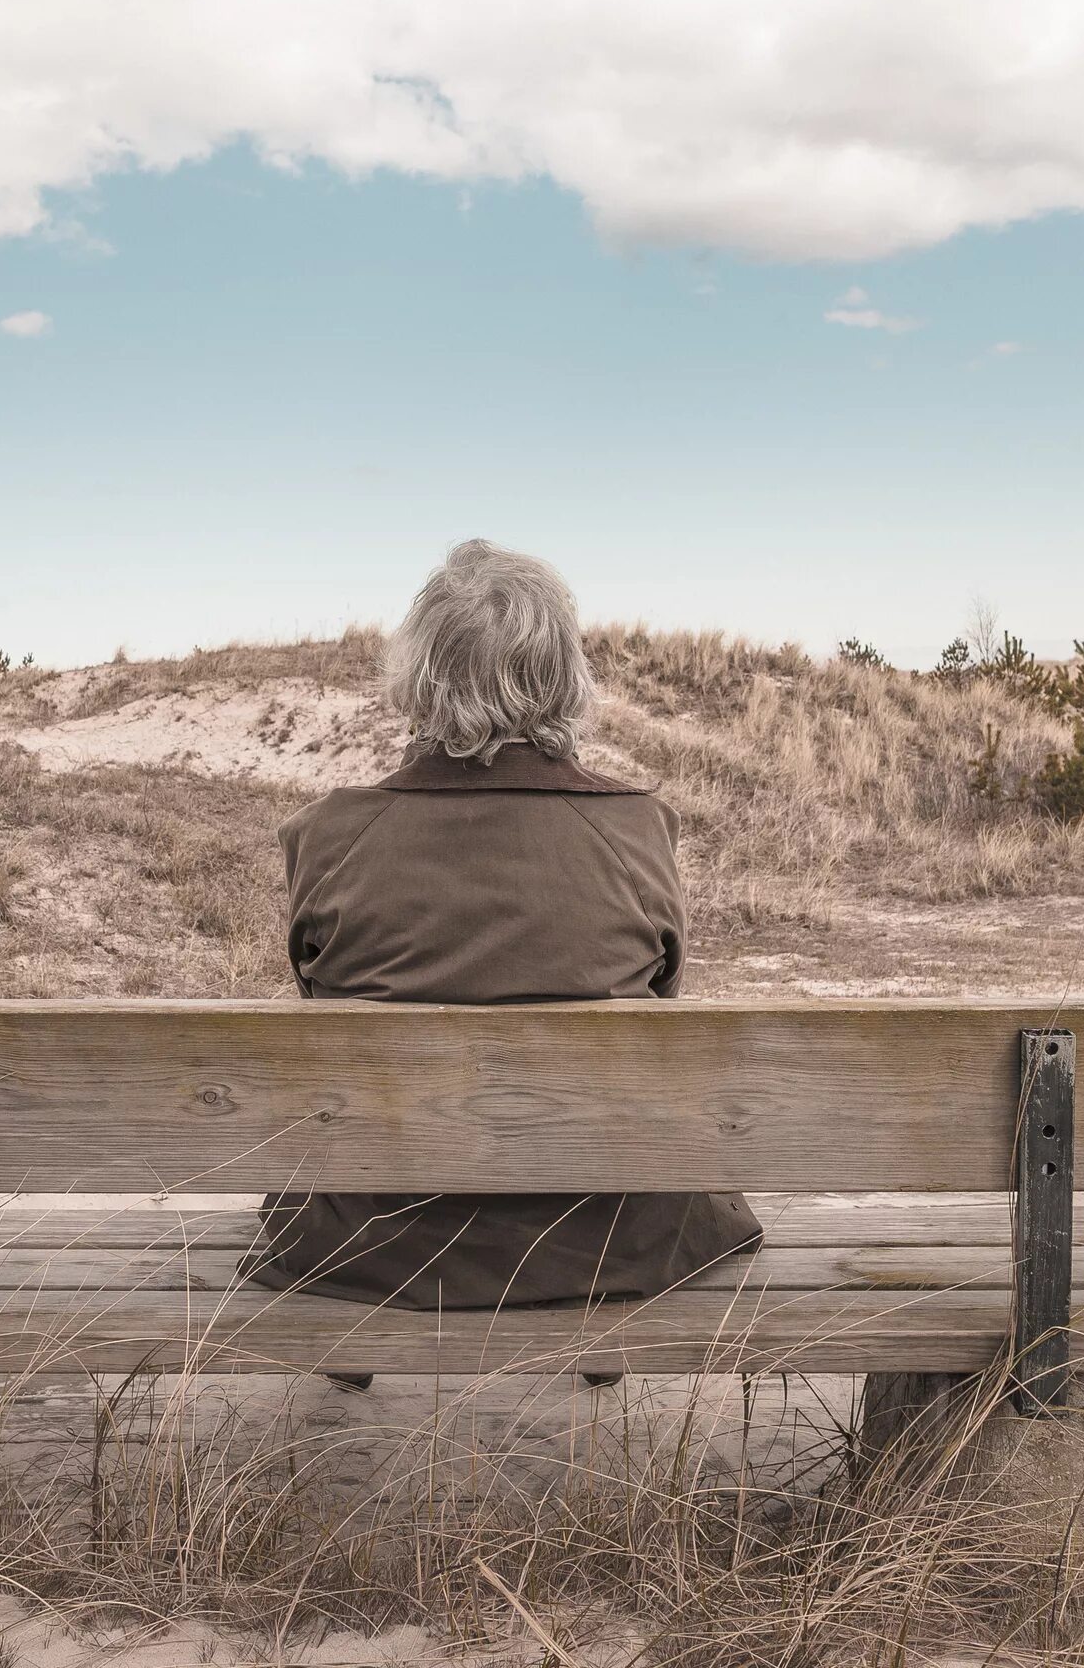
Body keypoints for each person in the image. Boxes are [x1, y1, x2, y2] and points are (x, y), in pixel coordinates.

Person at [240, 539, 762, 1318]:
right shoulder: (636, 832)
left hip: (378, 1246)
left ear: (419, 678)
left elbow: (320, 999)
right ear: (562, 676)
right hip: (608, 1237)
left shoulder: (330, 835)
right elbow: (661, 1000)